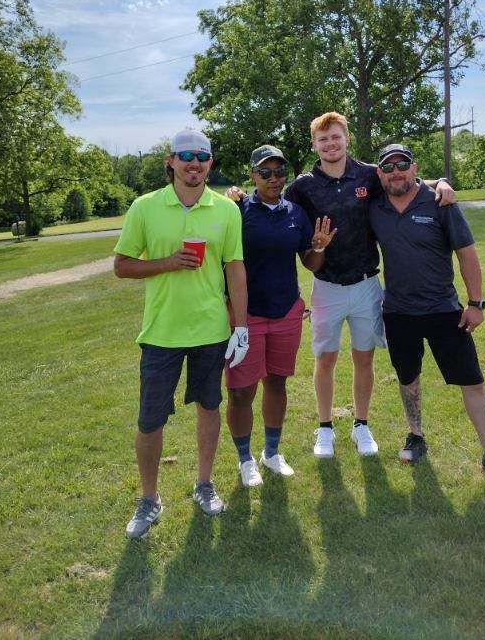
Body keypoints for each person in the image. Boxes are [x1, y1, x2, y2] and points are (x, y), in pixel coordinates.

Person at [283, 112, 455, 460]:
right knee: (325, 358)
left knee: (364, 358)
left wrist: (440, 183)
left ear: (347, 139)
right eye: (323, 139)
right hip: (327, 285)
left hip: (365, 283)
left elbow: (405, 183)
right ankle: (325, 428)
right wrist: (240, 197)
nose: (330, 144)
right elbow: (275, 208)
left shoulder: (367, 175)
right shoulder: (303, 186)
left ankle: (361, 424)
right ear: (314, 144)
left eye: (336, 137)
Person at [369, 143, 485, 488]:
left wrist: (476, 303)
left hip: (445, 311)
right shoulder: (375, 206)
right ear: (379, 172)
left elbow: (467, 253)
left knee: (471, 381)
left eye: (403, 165)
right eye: (388, 166)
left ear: (415, 168)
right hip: (398, 313)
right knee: (408, 377)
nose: (396, 171)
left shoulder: (440, 202)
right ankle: (416, 435)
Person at [114, 129, 249, 539]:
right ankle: (149, 498)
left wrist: (239, 326)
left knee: (209, 407)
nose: (195, 163)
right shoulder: (145, 207)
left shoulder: (226, 211)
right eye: (186, 155)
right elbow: (122, 265)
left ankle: (204, 485)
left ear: (210, 163)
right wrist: (168, 262)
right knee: (150, 418)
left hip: (210, 331)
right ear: (170, 161)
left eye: (202, 157)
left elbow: (235, 268)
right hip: (161, 334)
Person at [226, 145, 337, 486]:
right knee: (241, 391)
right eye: (265, 172)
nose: (273, 179)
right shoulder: (236, 210)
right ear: (252, 176)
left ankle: (271, 453)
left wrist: (318, 247)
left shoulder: (295, 212)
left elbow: (309, 262)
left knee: (276, 381)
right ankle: (245, 460)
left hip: (287, 309)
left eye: (279, 172)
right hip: (246, 314)